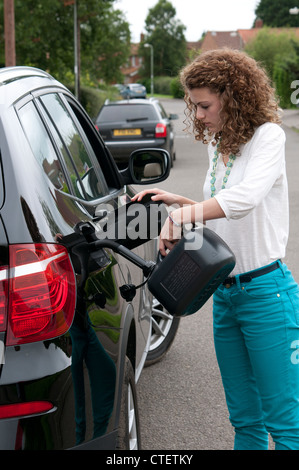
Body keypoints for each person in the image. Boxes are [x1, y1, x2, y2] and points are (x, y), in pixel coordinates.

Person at [132, 48, 299, 450]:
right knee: (244, 421)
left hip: (266, 294)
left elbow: (244, 200)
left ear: (234, 96)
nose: (199, 115)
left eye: (205, 105)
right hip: (224, 295)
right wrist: (177, 202)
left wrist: (182, 219)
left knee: (286, 425)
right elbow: (220, 211)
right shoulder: (217, 144)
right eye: (194, 106)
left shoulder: (268, 137)